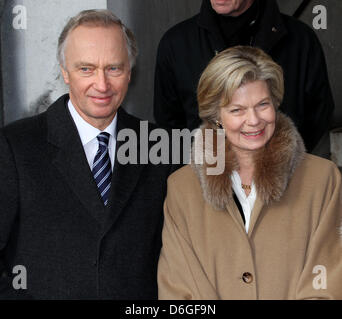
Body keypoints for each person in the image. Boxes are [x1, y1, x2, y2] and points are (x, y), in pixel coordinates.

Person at [0, 9, 173, 299]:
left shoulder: (160, 145)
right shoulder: (15, 146)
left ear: (130, 71)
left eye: (114, 68)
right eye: (86, 69)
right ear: (64, 71)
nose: (102, 85)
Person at [158, 46, 342, 300]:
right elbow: (179, 291)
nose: (254, 120)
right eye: (237, 110)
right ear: (216, 117)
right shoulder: (182, 188)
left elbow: (328, 281)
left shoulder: (323, 179)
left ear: (275, 104)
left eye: (262, 105)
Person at [154, 0, 334, 152]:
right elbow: (170, 125)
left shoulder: (301, 40)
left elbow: (318, 114)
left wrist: (282, 164)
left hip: (287, 180)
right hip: (208, 182)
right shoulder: (176, 44)